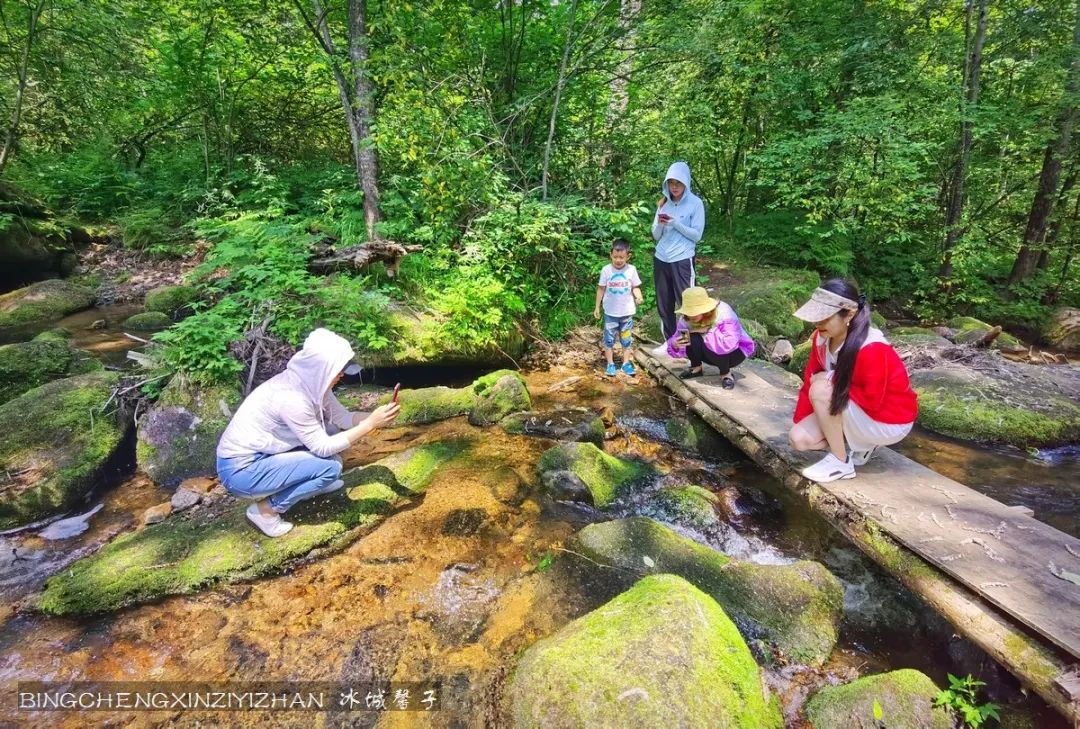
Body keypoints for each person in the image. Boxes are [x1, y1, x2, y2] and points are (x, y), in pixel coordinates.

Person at [216, 328, 401, 537]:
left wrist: (376, 417)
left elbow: (343, 418)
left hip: (263, 457)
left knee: (331, 441)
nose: (341, 375)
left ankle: (308, 487)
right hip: (241, 472)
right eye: (338, 369)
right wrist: (369, 425)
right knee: (330, 467)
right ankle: (265, 511)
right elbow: (322, 448)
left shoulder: (313, 385)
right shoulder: (291, 397)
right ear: (321, 368)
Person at [788, 279, 918, 483]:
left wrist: (830, 378)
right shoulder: (821, 338)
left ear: (849, 314)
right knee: (799, 439)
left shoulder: (872, 347)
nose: (817, 323)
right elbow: (809, 382)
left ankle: (840, 462)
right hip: (850, 407)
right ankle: (862, 445)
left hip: (888, 419)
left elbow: (873, 400)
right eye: (816, 317)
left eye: (824, 317)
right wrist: (803, 420)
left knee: (821, 389)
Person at [651, 161, 705, 351]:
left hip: (682, 259)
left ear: (686, 183)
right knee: (664, 305)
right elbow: (656, 236)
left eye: (678, 183)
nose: (674, 186)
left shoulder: (695, 204)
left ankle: (686, 348)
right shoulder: (663, 203)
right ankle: (670, 346)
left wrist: (676, 224)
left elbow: (697, 235)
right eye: (671, 182)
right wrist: (660, 222)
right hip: (661, 258)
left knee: (686, 304)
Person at [663, 287, 754, 388]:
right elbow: (679, 339)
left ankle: (726, 374)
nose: (692, 315)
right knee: (690, 336)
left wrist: (708, 331)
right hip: (709, 355)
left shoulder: (724, 313)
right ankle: (696, 368)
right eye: (689, 311)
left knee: (710, 340)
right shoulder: (685, 320)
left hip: (734, 354)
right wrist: (675, 345)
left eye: (696, 311)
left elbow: (729, 343)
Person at [594, 239, 644, 377]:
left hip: (626, 313)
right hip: (610, 312)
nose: (618, 260)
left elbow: (635, 287)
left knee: (626, 339)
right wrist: (597, 307)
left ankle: (626, 363)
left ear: (628, 256)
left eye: (621, 257)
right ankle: (610, 364)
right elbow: (601, 289)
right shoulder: (606, 270)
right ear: (611, 255)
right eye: (615, 257)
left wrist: (638, 297)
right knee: (609, 340)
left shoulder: (631, 270)